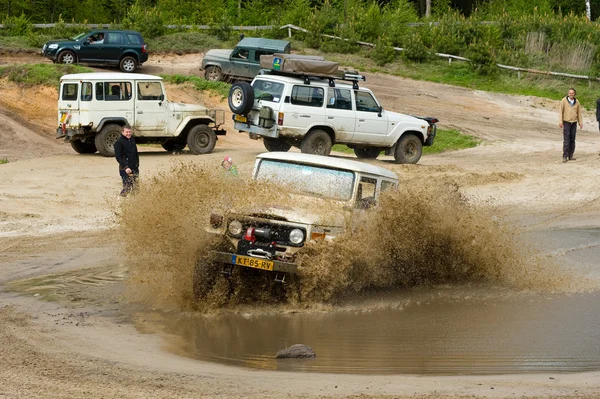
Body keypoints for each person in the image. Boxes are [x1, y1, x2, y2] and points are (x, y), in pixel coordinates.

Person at [558, 88, 583, 163]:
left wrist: (580, 122)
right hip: (566, 122)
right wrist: (560, 121)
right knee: (566, 139)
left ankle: (571, 155)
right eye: (570, 93)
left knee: (572, 139)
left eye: (572, 93)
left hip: (574, 122)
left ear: (574, 94)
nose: (571, 94)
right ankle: (565, 156)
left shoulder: (577, 102)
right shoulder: (563, 101)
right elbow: (560, 111)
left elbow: (579, 113)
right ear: (568, 94)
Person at [114, 124, 139, 197]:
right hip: (125, 169)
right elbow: (118, 157)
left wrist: (137, 165)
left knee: (136, 188)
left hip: (134, 168)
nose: (128, 134)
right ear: (122, 132)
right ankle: (119, 203)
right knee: (127, 188)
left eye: (130, 132)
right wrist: (126, 167)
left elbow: (135, 153)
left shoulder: (132, 139)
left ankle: (134, 204)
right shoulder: (119, 143)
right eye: (126, 132)